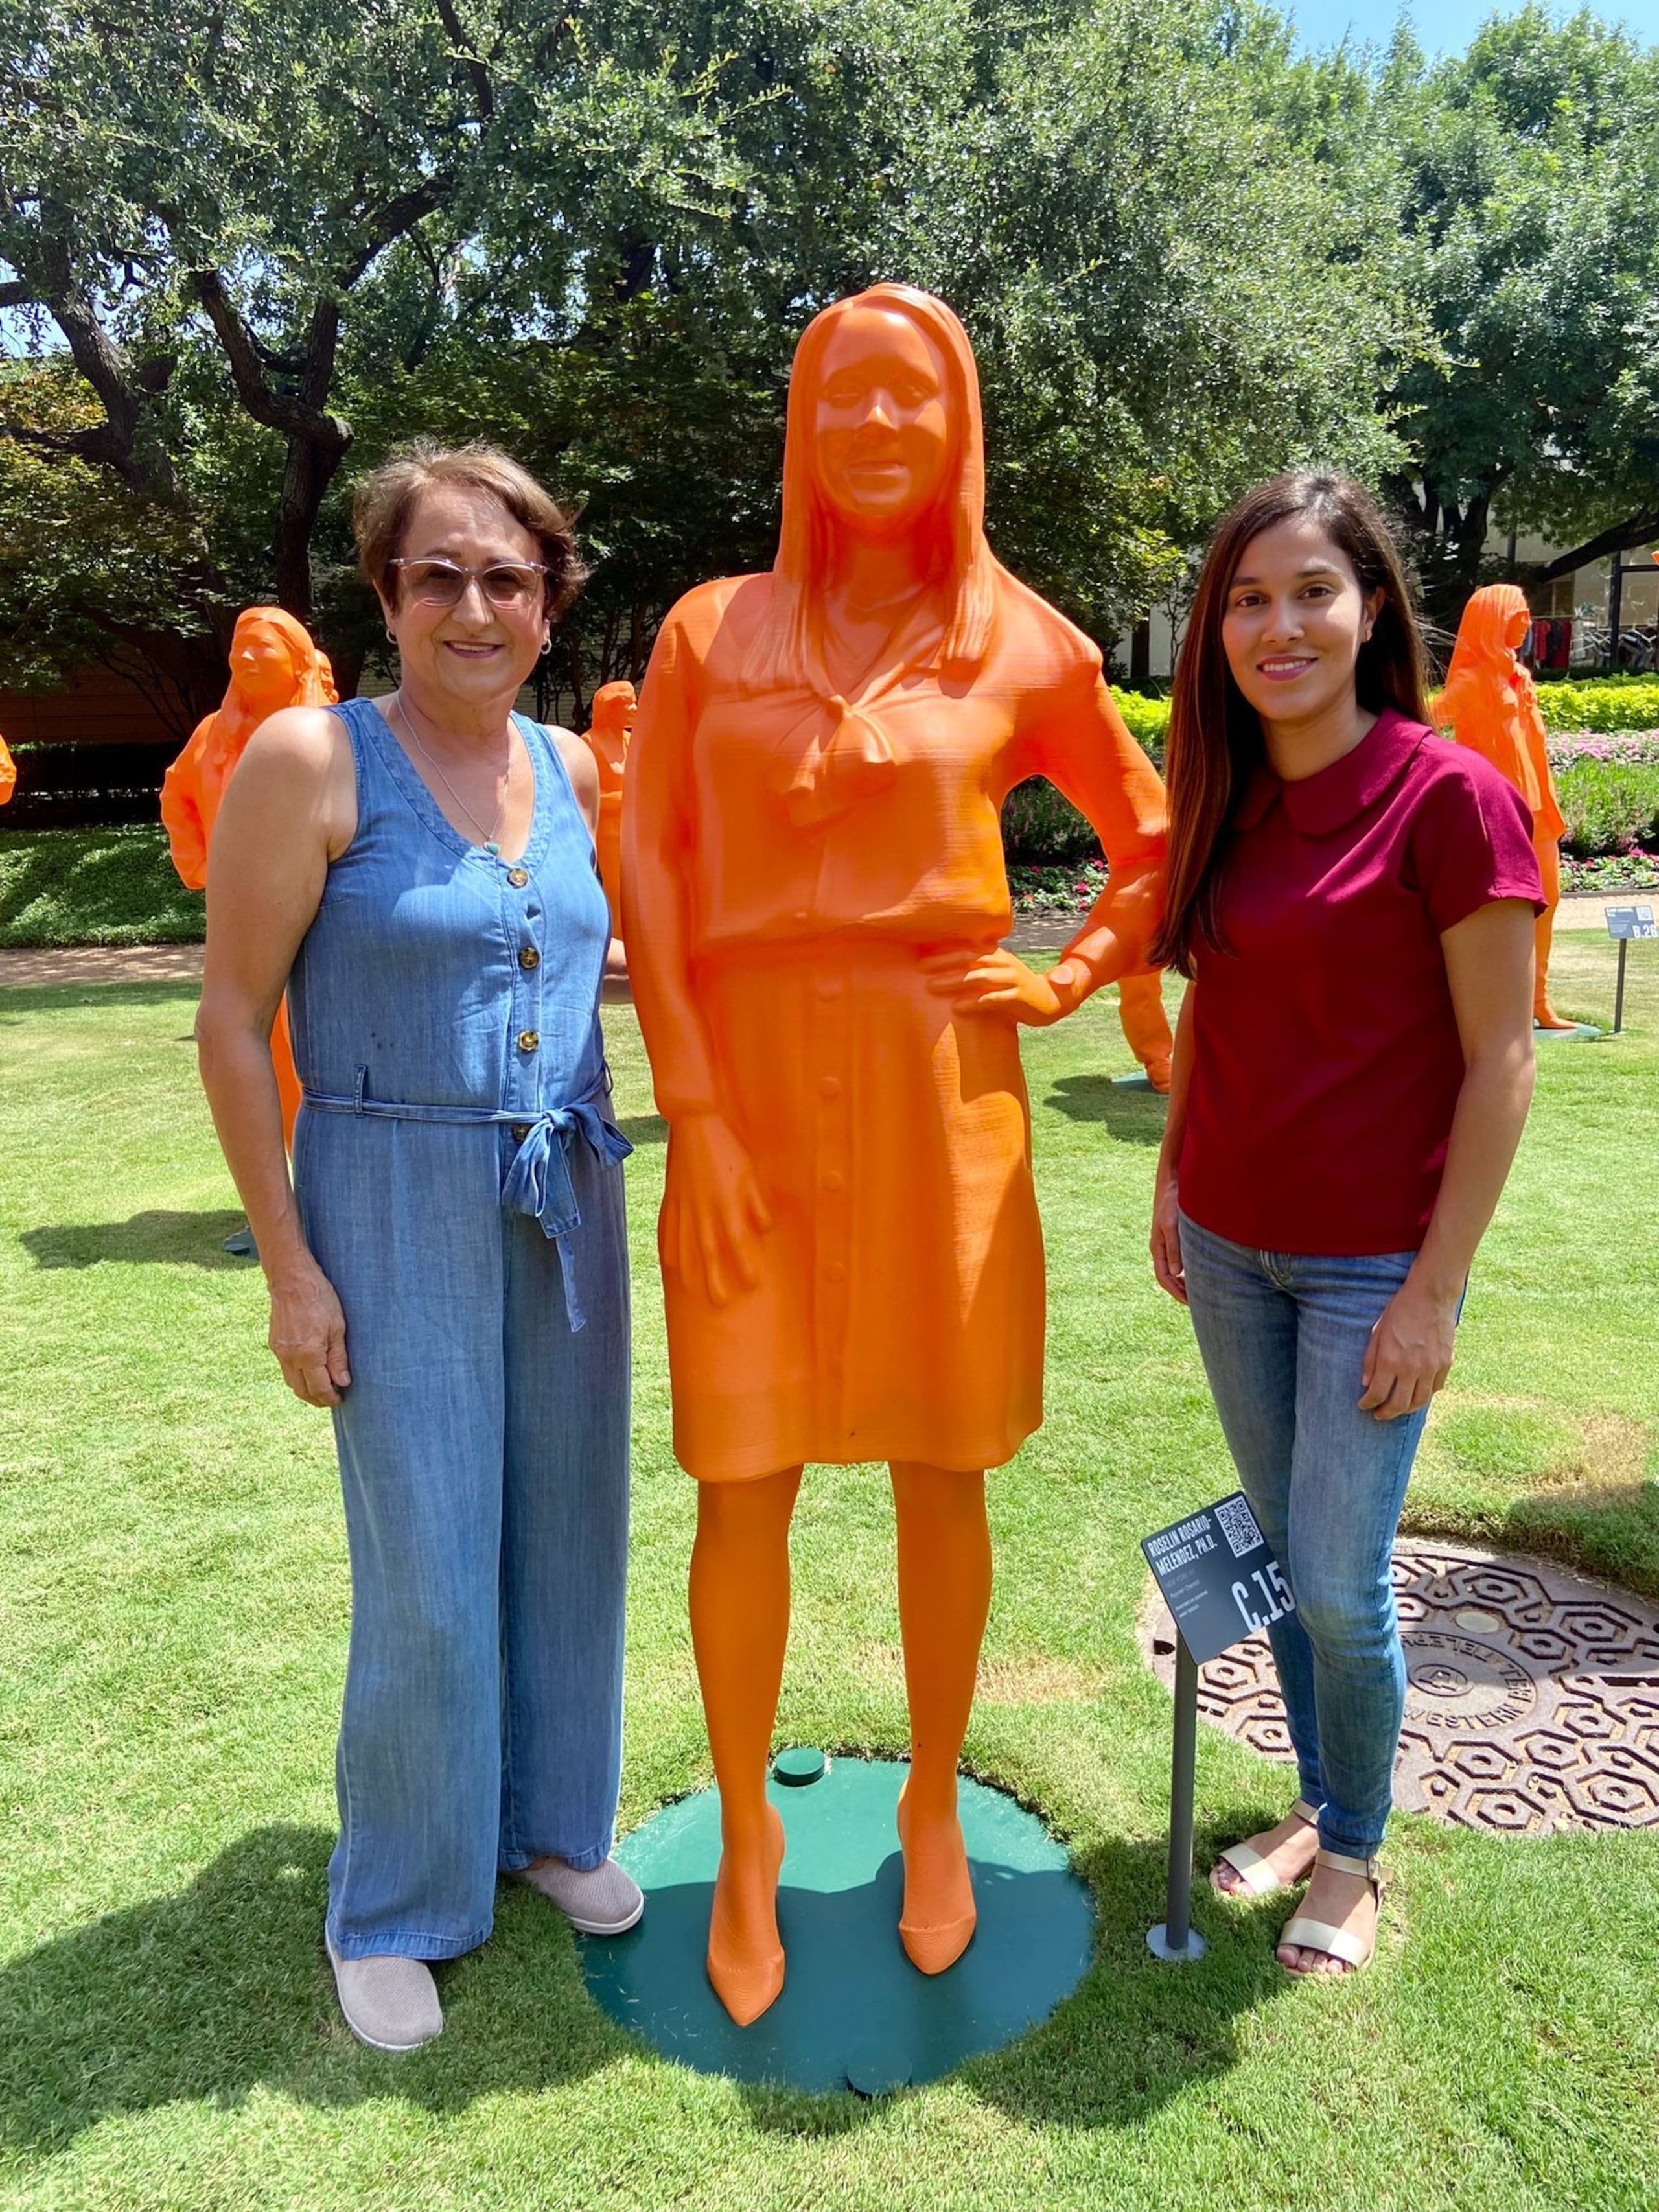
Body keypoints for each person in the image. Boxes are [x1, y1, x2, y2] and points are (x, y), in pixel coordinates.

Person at [624, 284, 1166, 2025]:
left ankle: (930, 1800)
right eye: (843, 395)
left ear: (959, 429)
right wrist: (694, 1115)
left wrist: (1074, 968)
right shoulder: (712, 631)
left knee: (948, 1461)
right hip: (751, 1090)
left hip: (946, 1082)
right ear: (804, 422)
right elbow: (650, 864)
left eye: (909, 400)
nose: (874, 428)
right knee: (743, 1464)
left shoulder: (1022, 640)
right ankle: (755, 1848)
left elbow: (1163, 830)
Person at [194, 440, 639, 2054]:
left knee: (569, 1534)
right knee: (432, 1570)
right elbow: (234, 1026)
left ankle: (545, 1828)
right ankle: (394, 1896)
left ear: (547, 600)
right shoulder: (313, 760)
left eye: (506, 576)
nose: (474, 603)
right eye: (438, 572)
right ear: (385, 591)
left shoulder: (576, 772)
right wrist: (290, 1263)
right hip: (385, 1201)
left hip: (564, 1195)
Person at [1148, 474, 1540, 1976]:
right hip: (1235, 1254)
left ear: (1369, 605)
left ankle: (1359, 1847)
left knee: (1333, 1575)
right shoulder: (1228, 800)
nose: (1275, 624)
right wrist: (1173, 1170)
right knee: (1287, 1552)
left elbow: (1499, 1057)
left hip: (1373, 1262)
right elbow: (1217, 1005)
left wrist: (1432, 1293)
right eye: (1244, 599)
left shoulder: (1448, 798)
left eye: (1307, 589)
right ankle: (1320, 1803)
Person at [161, 607, 335, 1147]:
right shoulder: (213, 736)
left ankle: (321, 1189)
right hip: (239, 925)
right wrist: (207, 869)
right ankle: (266, 1199)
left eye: (264, 647)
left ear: (298, 660)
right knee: (239, 1045)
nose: (248, 657)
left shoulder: (335, 735)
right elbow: (177, 796)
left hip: (323, 921)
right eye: (241, 647)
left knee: (313, 1046)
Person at [1432, 583, 1575, 1030]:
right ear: (1494, 619)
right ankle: (1489, 1002)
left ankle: (1539, 999)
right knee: (1490, 910)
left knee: (1549, 899)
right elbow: (1426, 719)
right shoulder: (1471, 681)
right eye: (1519, 614)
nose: (1528, 624)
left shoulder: (1519, 675)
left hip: (1538, 808)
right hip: (1496, 812)